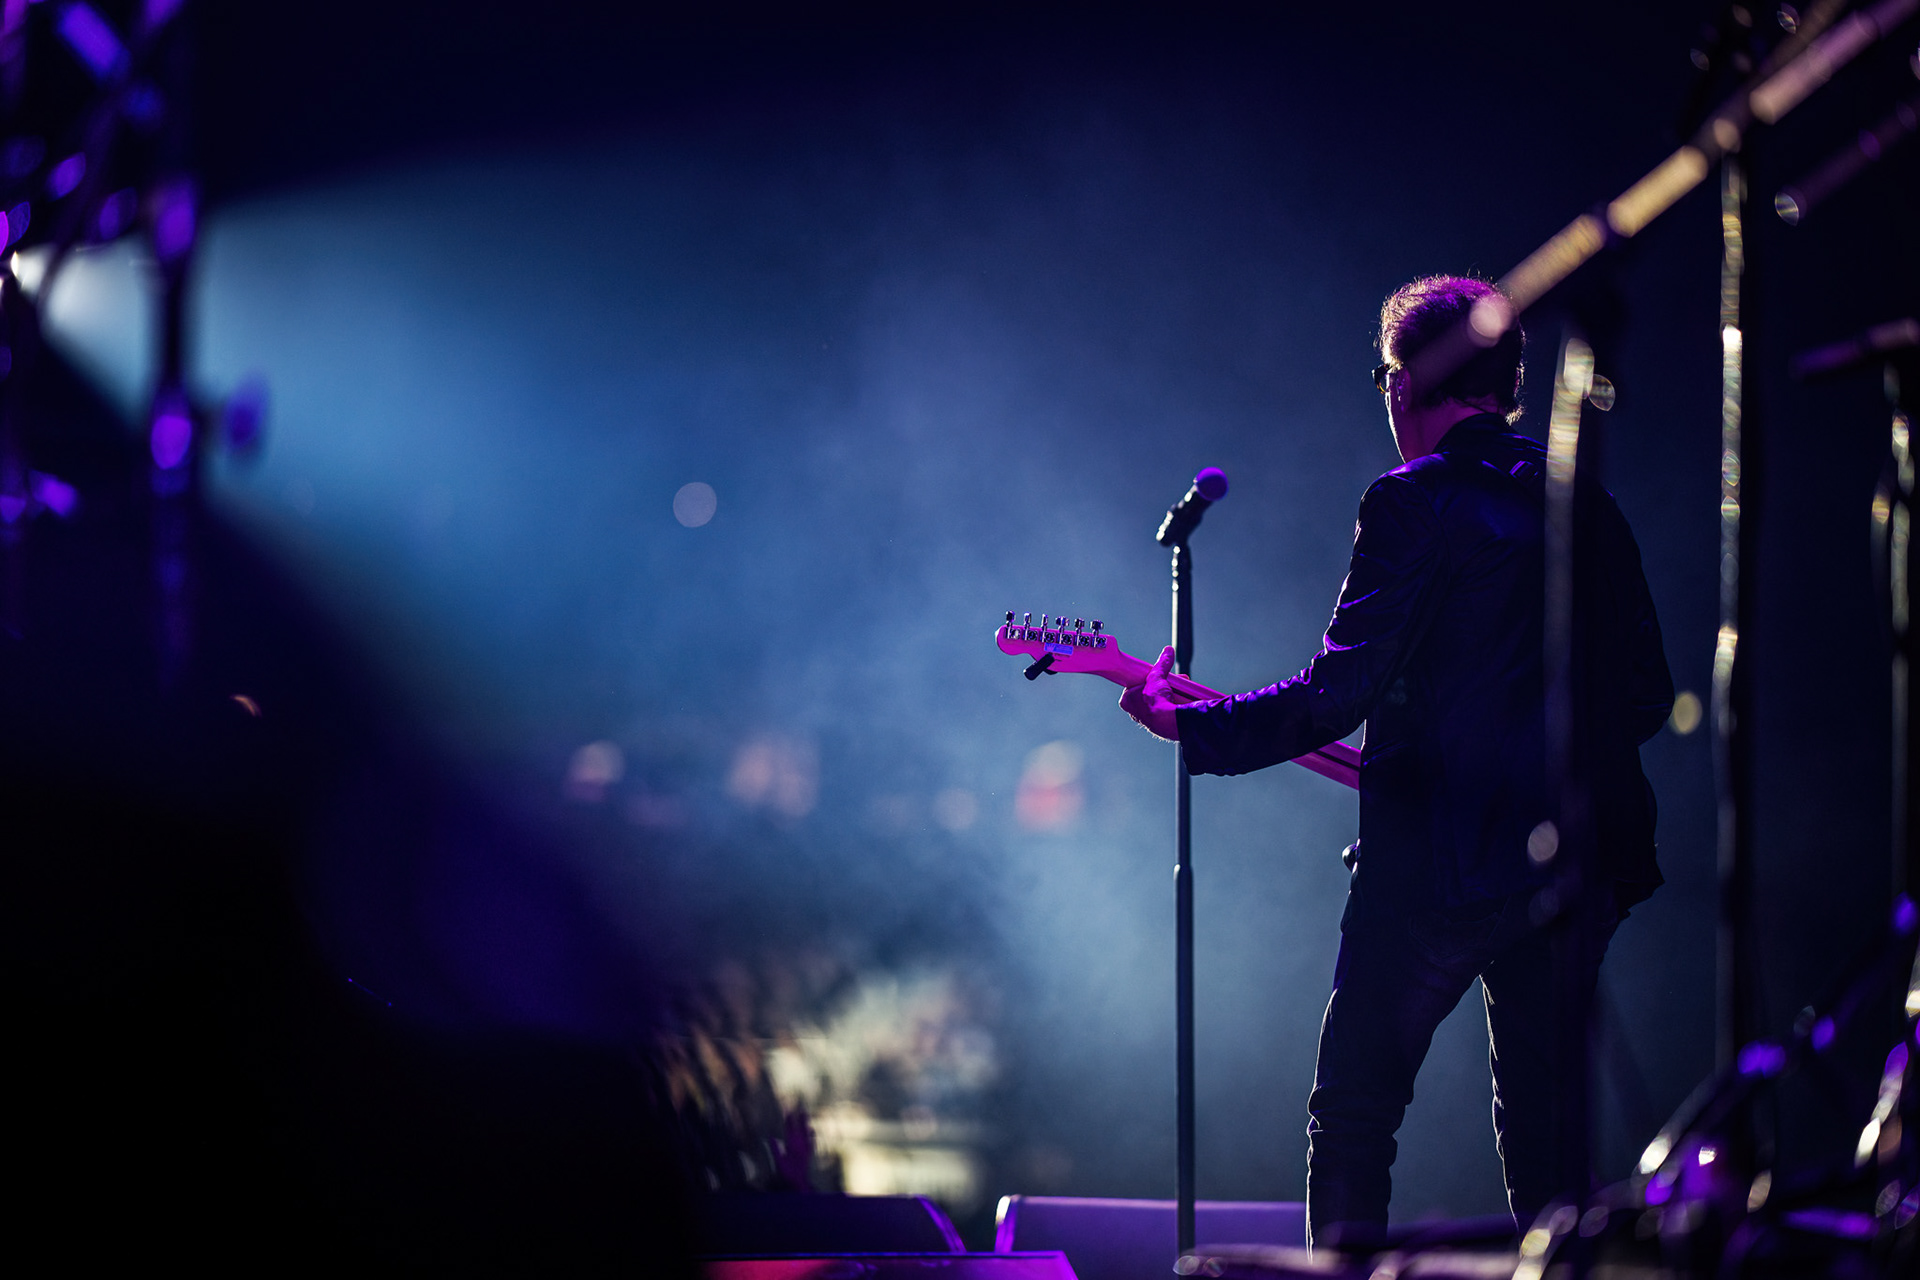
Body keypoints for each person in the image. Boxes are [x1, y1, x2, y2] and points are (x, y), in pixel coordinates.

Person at [1119, 275, 1672, 1247]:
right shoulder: (1585, 500)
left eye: (1385, 377)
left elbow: (1340, 691)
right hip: (1576, 866)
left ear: (1407, 382)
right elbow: (1647, 695)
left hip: (1443, 867)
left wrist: (1194, 728)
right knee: (1551, 1140)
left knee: (1355, 1113)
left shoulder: (1413, 500)